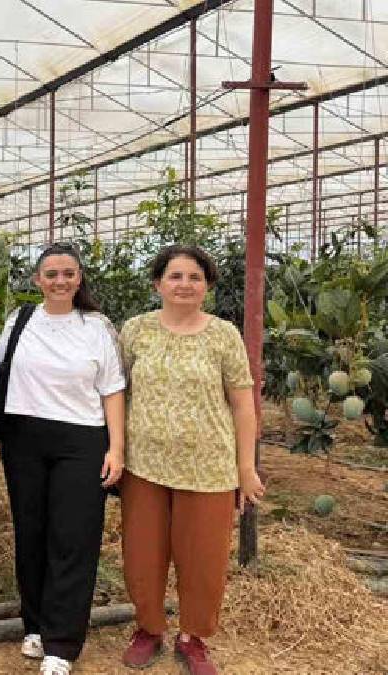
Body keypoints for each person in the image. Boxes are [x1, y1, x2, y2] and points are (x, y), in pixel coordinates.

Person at [117, 245, 264, 675]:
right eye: (175, 276)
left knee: (204, 559)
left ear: (207, 286)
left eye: (194, 277)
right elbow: (117, 392)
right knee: (143, 552)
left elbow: (242, 404)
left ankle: (193, 637)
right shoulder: (137, 330)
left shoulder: (223, 335)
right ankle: (148, 629)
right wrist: (116, 450)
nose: (184, 285)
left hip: (209, 467)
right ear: (158, 283)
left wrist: (246, 467)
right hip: (144, 464)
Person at [0, 243, 126, 675]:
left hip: (82, 440)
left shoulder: (96, 328)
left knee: (74, 537)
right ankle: (36, 624)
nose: (60, 281)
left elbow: (113, 389)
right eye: (51, 274)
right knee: (32, 532)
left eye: (68, 273)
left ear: (79, 279)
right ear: (37, 280)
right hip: (24, 438)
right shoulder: (21, 320)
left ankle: (61, 643)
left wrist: (116, 447)